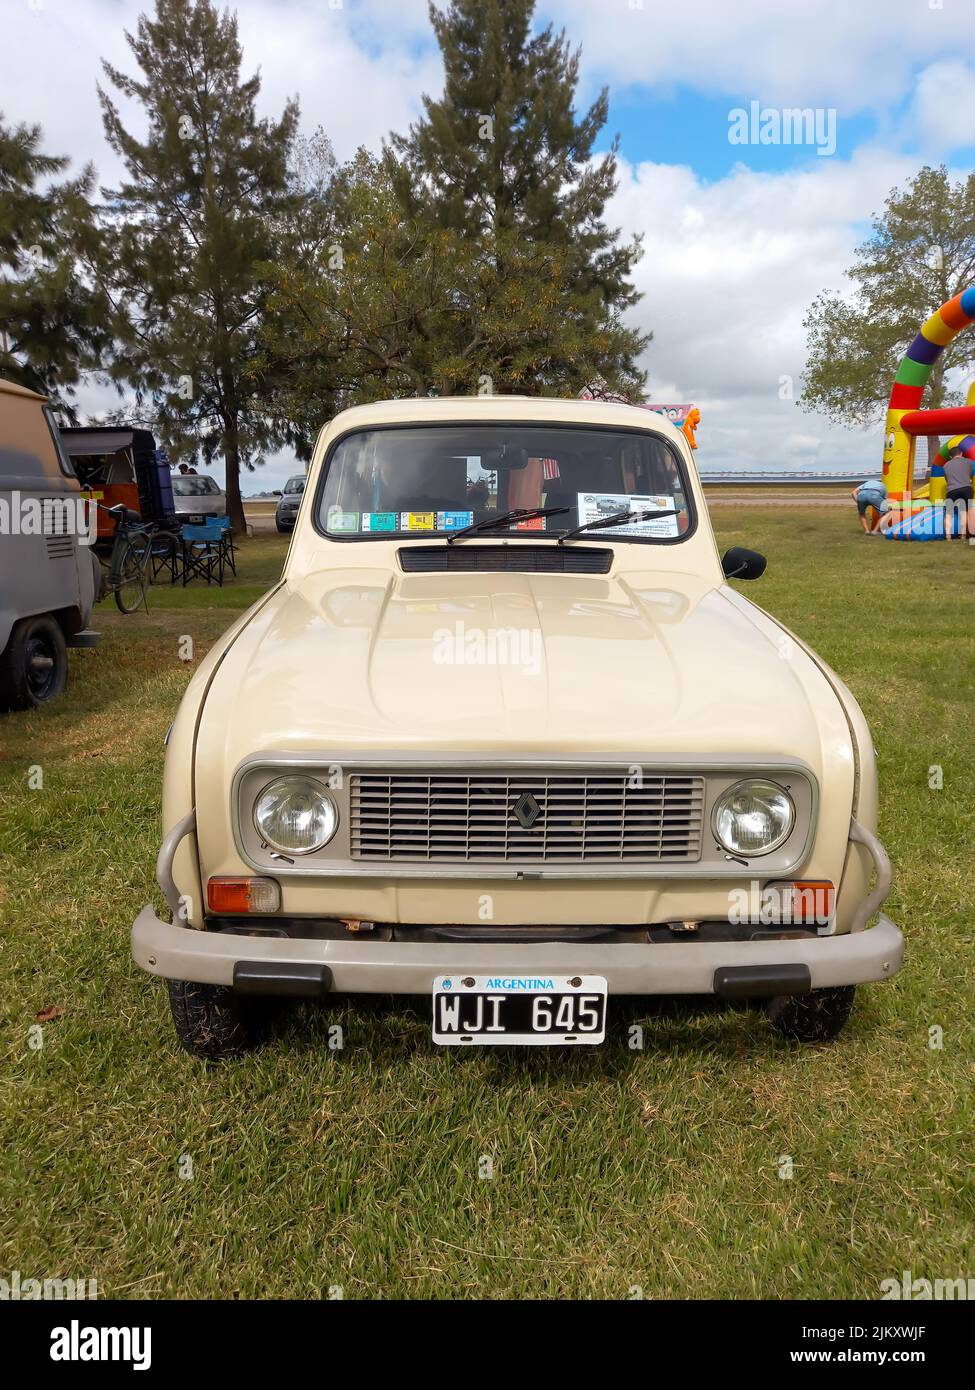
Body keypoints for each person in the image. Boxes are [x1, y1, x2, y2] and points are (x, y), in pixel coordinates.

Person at [943, 446, 974, 539]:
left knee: (948, 513)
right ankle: (963, 535)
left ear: (950, 456)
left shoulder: (946, 465)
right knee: (964, 512)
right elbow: (970, 474)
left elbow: (947, 479)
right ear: (961, 453)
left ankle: (948, 536)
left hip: (952, 490)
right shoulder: (968, 462)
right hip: (966, 489)